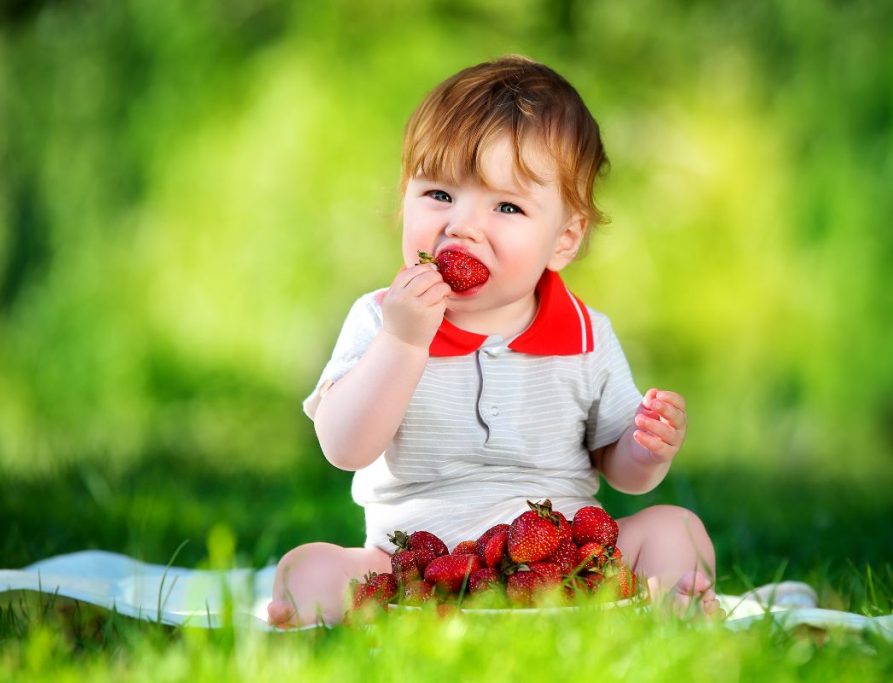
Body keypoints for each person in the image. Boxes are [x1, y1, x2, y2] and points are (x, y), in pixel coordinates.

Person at [267, 55, 718, 627]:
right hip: (408, 566)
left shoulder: (584, 334)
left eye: (506, 206)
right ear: (403, 198)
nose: (462, 226)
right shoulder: (382, 319)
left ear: (564, 239)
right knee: (307, 568)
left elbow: (620, 471)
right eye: (438, 194)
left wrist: (645, 448)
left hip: (566, 565)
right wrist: (405, 343)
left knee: (677, 530)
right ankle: (333, 615)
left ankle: (674, 608)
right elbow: (344, 447)